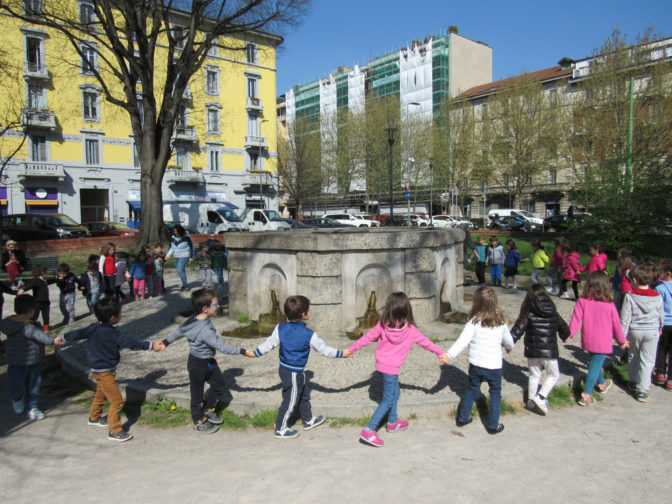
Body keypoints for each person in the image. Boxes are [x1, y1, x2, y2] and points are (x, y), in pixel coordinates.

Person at [347, 292, 448, 447]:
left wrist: (352, 349)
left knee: (396, 392)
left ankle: (392, 422)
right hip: (392, 368)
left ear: (389, 308)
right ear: (407, 310)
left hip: (382, 365)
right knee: (388, 399)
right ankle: (369, 429)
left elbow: (366, 338)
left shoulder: (382, 324)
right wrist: (440, 353)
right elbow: (426, 342)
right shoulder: (411, 330)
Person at [60, 296, 163, 442]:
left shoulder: (93, 328)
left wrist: (64, 337)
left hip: (99, 371)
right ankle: (114, 430)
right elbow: (131, 343)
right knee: (117, 401)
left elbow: (78, 333)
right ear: (113, 318)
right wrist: (151, 346)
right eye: (120, 313)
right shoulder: (113, 334)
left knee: (101, 393)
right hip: (104, 372)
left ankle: (94, 417)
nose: (121, 315)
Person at [246, 294, 349, 439]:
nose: (309, 312)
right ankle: (280, 428)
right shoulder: (309, 334)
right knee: (291, 400)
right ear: (303, 315)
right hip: (294, 372)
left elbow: (268, 344)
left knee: (303, 394)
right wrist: (341, 354)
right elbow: (324, 349)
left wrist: (255, 353)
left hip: (286, 369)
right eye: (308, 310)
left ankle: (308, 419)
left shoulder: (280, 328)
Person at [162, 288, 247, 434]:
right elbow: (221, 347)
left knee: (219, 385)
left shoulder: (193, 319)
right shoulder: (205, 331)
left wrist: (165, 342)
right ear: (205, 308)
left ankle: (208, 409)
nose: (218, 306)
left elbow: (179, 332)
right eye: (215, 304)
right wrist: (243, 351)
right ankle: (198, 420)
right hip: (197, 364)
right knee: (196, 394)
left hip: (208, 361)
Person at [445, 286, 514, 434]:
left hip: (476, 365)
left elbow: (461, 341)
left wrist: (449, 355)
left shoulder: (473, 323)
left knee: (472, 389)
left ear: (476, 303)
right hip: (494, 366)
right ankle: (493, 425)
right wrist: (509, 348)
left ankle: (463, 418)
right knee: (495, 393)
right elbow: (508, 340)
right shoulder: (500, 322)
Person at [568, 271, 628, 406]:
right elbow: (617, 325)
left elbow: (575, 320)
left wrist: (569, 334)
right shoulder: (610, 305)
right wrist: (622, 341)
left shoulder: (582, 301)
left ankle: (601, 383)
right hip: (603, 342)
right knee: (595, 365)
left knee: (596, 363)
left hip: (588, 340)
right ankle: (586, 394)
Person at [1, 294, 65, 420]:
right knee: (29, 387)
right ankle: (19, 400)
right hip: (26, 362)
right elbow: (41, 336)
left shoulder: (7, 322)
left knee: (26, 387)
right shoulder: (29, 327)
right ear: (32, 311)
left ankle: (32, 407)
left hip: (27, 363)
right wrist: (53, 341)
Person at [511, 285, 570, 415]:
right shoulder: (553, 311)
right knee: (554, 375)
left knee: (534, 375)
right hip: (549, 352)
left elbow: (518, 329)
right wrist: (566, 336)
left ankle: (531, 402)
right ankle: (541, 397)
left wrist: (509, 343)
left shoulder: (528, 311)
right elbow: (563, 326)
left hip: (532, 352)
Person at [620, 265, 665, 402]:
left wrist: (622, 336)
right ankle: (642, 390)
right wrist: (660, 327)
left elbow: (625, 317)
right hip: (652, 330)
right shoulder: (657, 296)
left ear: (634, 280)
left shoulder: (630, 296)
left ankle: (633, 381)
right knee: (648, 360)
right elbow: (661, 315)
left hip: (635, 330)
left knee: (633, 355)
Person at [19, 265, 56, 332]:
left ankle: (46, 328)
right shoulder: (36, 280)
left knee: (46, 315)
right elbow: (30, 285)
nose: (47, 274)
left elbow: (50, 281)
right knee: (34, 315)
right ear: (42, 273)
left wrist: (57, 279)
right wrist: (23, 290)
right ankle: (30, 327)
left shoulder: (44, 281)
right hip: (37, 302)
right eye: (46, 273)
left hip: (45, 301)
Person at [653, 259, 672, 390]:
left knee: (661, 348)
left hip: (664, 323)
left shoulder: (659, 288)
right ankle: (670, 380)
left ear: (669, 273)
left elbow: (656, 307)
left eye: (662, 272)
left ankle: (660, 373)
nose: (660, 275)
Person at [165, 224, 193, 291]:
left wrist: (191, 257)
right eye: (174, 231)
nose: (175, 232)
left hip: (185, 255)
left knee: (180, 270)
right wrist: (168, 255)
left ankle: (185, 285)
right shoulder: (172, 237)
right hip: (176, 256)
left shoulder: (187, 237)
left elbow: (192, 248)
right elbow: (172, 247)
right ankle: (184, 284)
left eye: (176, 231)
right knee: (181, 271)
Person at [613, 248, 634, 313]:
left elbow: (632, 280)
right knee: (618, 303)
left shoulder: (628, 271)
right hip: (620, 287)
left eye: (618, 255)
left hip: (627, 291)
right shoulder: (623, 268)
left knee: (623, 305)